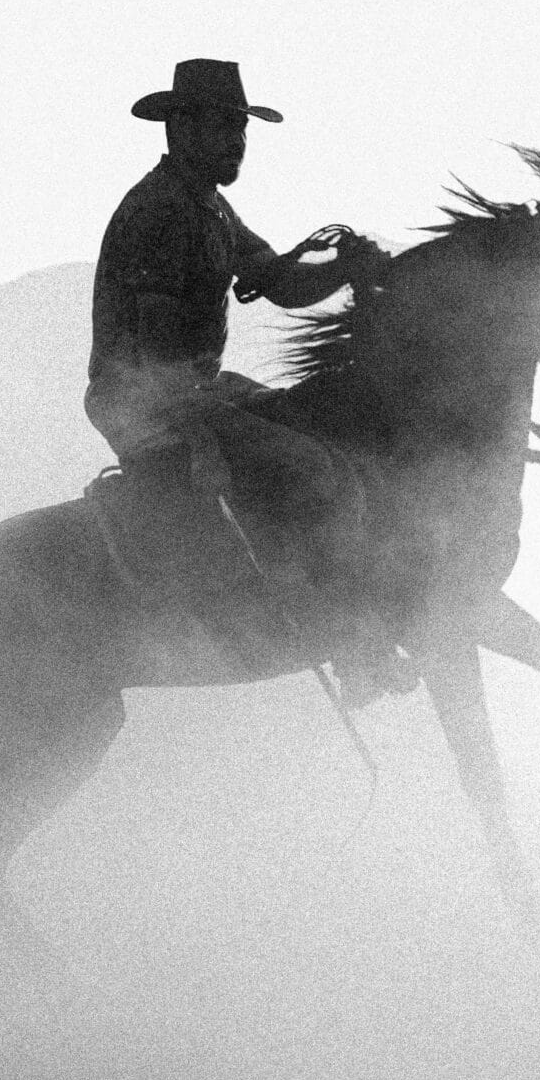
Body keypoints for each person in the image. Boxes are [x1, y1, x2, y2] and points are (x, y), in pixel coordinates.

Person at [85, 58, 415, 704]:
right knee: (309, 466)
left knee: (312, 420)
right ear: (181, 129)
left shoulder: (209, 207)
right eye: (222, 126)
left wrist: (342, 268)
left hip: (190, 389)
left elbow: (279, 281)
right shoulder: (159, 211)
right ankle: (353, 650)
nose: (236, 141)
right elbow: (154, 337)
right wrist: (201, 419)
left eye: (240, 127)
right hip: (144, 398)